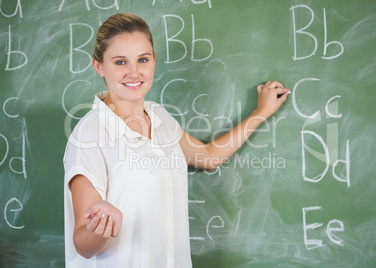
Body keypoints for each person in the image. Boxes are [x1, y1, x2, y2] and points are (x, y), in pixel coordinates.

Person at [63, 12, 290, 268]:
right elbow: (83, 244)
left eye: (143, 60)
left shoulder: (159, 116)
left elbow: (208, 156)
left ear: (153, 61)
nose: (134, 72)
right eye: (120, 62)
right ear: (99, 66)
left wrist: (261, 113)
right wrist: (100, 226)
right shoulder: (89, 136)